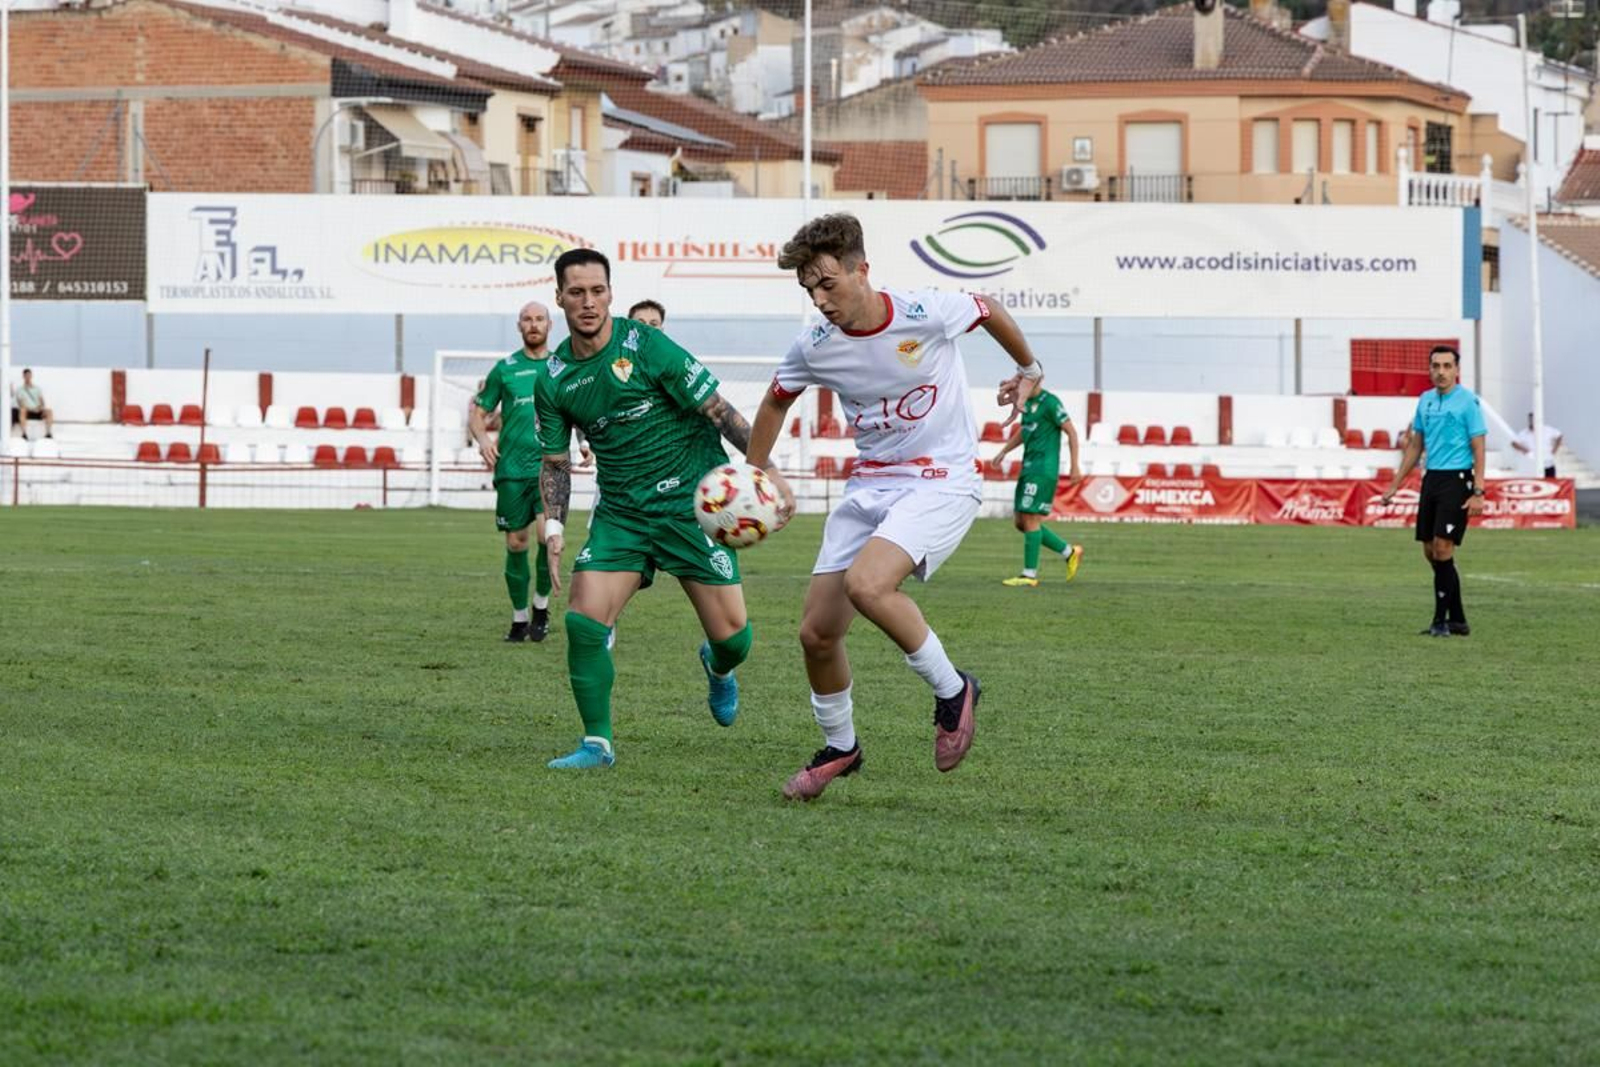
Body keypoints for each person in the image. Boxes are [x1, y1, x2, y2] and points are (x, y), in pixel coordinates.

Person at [743, 212, 1044, 802]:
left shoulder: (923, 312)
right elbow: (776, 400)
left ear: (862, 270)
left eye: (828, 283)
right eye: (809, 289)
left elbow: (985, 307)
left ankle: (953, 689)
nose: (820, 299)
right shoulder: (816, 346)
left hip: (942, 480)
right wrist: (754, 472)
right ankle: (841, 748)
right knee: (816, 634)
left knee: (869, 585)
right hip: (869, 488)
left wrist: (1028, 369)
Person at [536, 248, 757, 770]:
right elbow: (555, 463)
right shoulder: (554, 377)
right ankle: (597, 744)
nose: (588, 303)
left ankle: (718, 667)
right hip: (623, 514)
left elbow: (719, 411)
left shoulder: (648, 345)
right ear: (560, 298)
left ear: (611, 293)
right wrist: (553, 528)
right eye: (576, 293)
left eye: (597, 291)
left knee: (735, 640)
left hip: (690, 506)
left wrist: (762, 471)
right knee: (585, 622)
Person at [1379, 344, 1485, 638]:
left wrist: (1478, 490)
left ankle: (1440, 622)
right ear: (1429, 369)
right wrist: (1395, 484)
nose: (1441, 372)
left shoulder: (1468, 402)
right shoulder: (1425, 401)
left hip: (1458, 479)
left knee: (1442, 548)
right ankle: (1459, 619)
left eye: (1447, 366)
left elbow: (1479, 446)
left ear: (1457, 370)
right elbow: (1416, 445)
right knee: (1431, 552)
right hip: (1432, 480)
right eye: (1436, 366)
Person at [469, 301, 555, 643]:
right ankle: (519, 619)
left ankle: (542, 608)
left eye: (539, 319)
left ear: (549, 325)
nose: (533, 324)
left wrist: (584, 440)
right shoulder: (504, 369)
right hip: (512, 469)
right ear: (519, 326)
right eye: (527, 319)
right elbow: (479, 410)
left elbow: (581, 408)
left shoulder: (562, 367)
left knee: (547, 538)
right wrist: (482, 438)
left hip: (551, 467)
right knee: (516, 542)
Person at [990, 387, 1085, 587]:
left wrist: (1075, 465)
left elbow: (1071, 432)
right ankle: (1069, 552)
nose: (1021, 382)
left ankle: (1029, 575)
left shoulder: (1050, 402)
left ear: (1035, 379)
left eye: (1025, 377)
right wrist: (1004, 451)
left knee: (1030, 518)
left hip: (1043, 469)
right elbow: (1024, 432)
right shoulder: (1025, 404)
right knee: (1020, 522)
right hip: (1028, 468)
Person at [1510, 411, 1562, 478]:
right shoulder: (1524, 433)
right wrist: (1525, 450)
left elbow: (1559, 436)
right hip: (1532, 464)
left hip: (1547, 463)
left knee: (1550, 485)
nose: (1532, 421)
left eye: (1534, 419)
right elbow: (1514, 443)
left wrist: (1555, 449)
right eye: (1531, 420)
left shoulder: (1547, 430)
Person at [12, 369, 54, 438]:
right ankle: (24, 433)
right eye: (26, 375)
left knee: (49, 411)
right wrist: (30, 409)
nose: (28, 377)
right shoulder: (20, 389)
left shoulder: (37, 388)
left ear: (31, 376)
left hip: (37, 411)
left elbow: (42, 402)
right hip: (28, 411)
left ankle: (48, 433)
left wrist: (39, 408)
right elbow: (21, 403)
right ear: (23, 376)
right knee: (22, 410)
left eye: (29, 375)